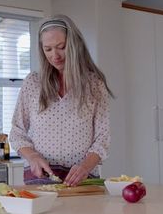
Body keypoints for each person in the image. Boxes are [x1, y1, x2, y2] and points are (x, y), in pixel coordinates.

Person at [9, 14, 114, 186]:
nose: (55, 55)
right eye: (48, 49)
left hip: (82, 179)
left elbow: (102, 137)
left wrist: (85, 167)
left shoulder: (94, 84)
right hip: (40, 179)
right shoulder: (33, 82)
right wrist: (33, 156)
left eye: (61, 47)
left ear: (74, 45)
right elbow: (17, 132)